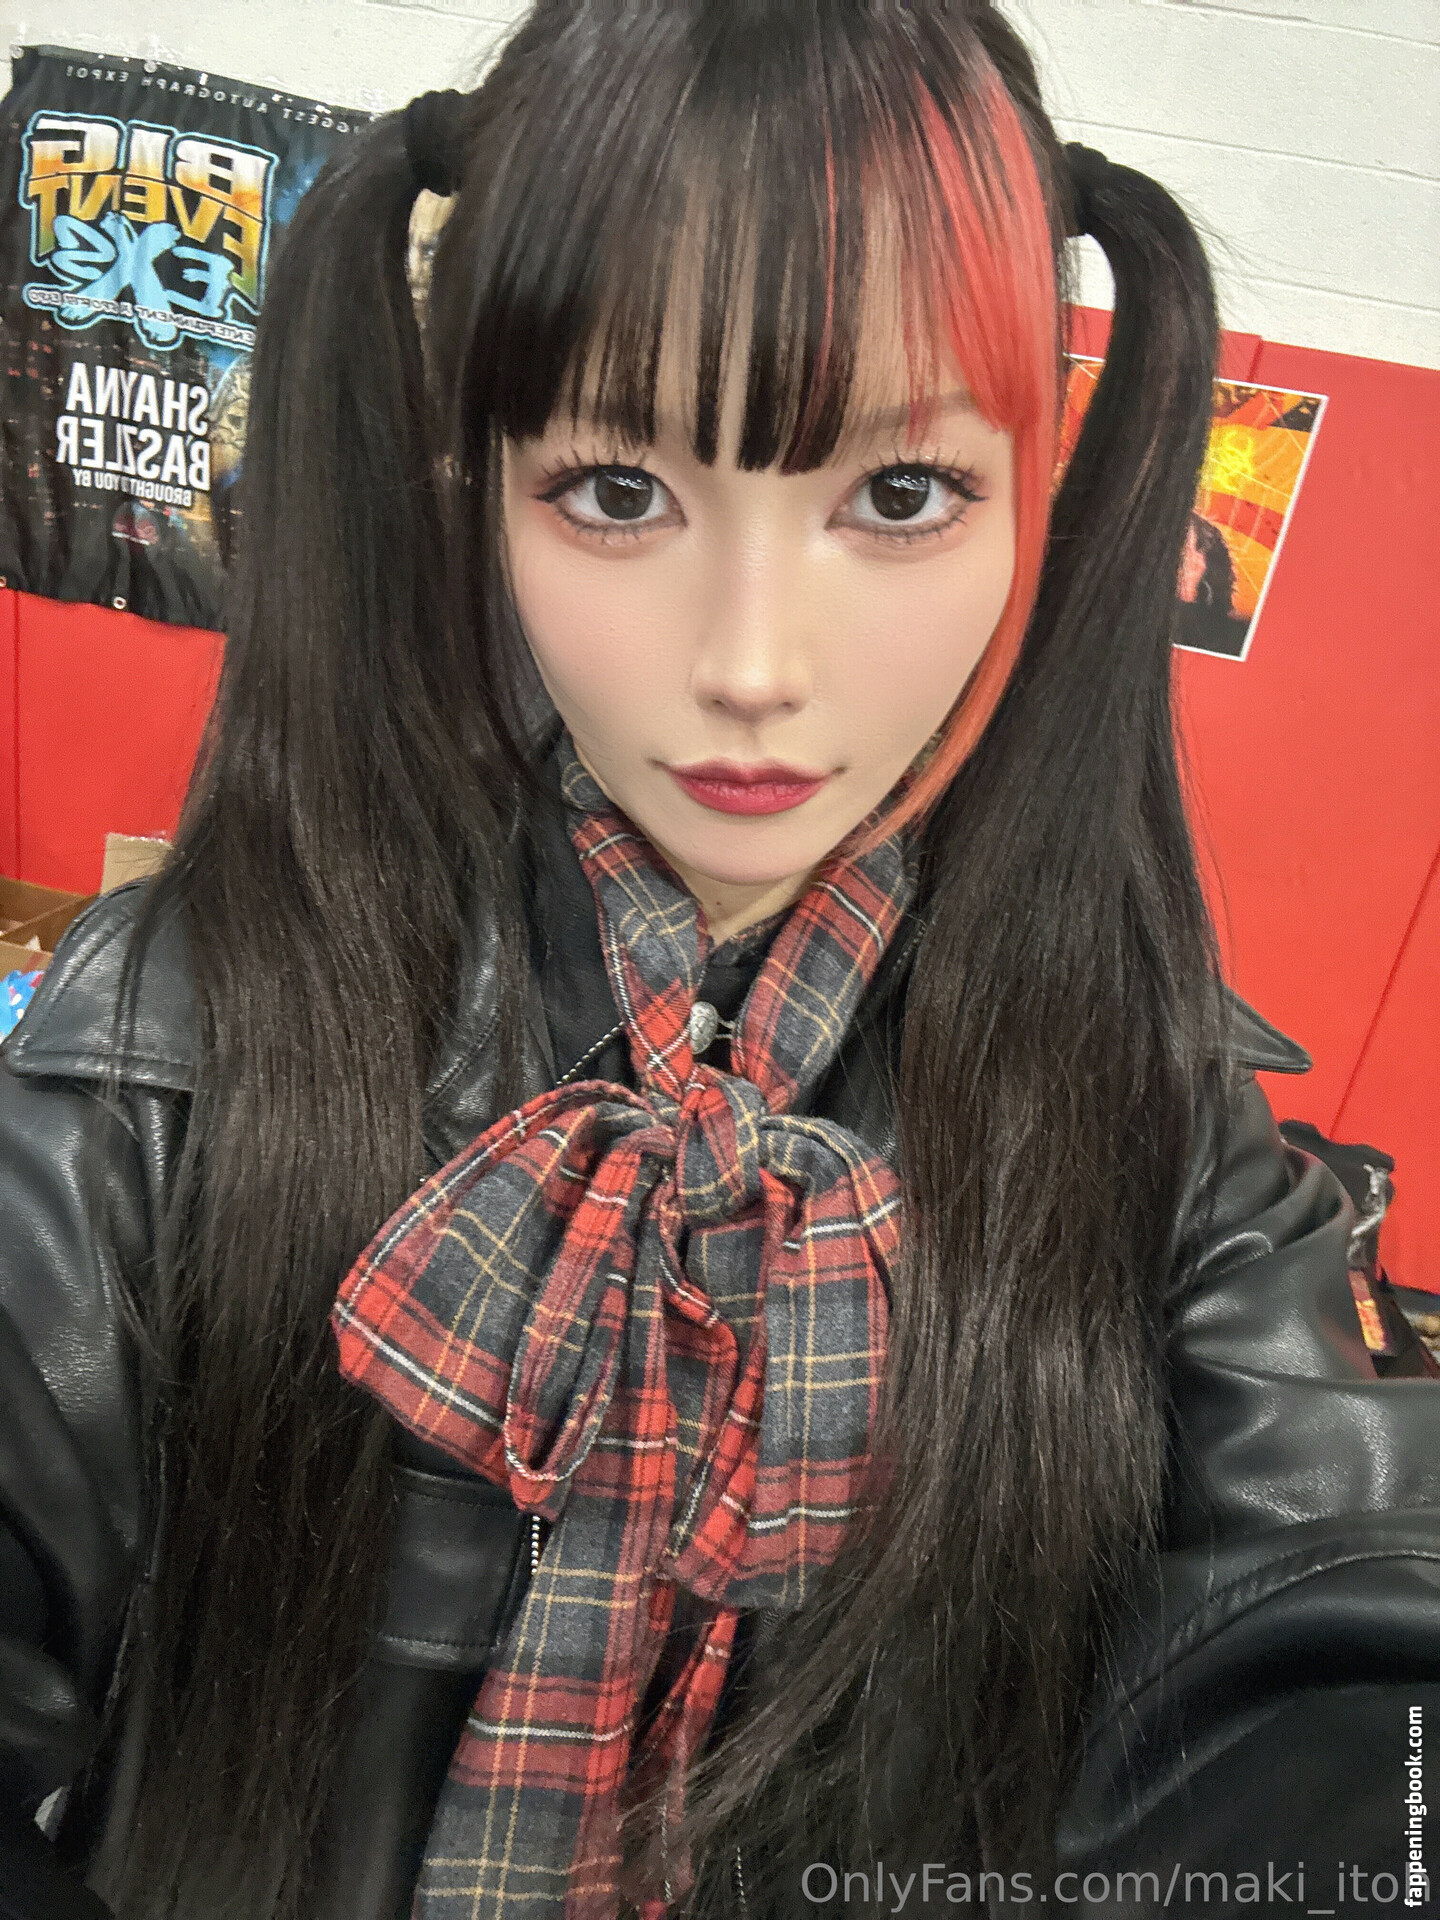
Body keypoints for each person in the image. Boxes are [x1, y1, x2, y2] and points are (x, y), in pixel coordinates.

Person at [0, 6, 1435, 1918]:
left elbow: (1347, 1624)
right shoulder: (164, 1052)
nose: (752, 665)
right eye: (617, 492)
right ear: (485, 485)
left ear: (1033, 505)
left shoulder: (1151, 1119)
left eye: (900, 496)